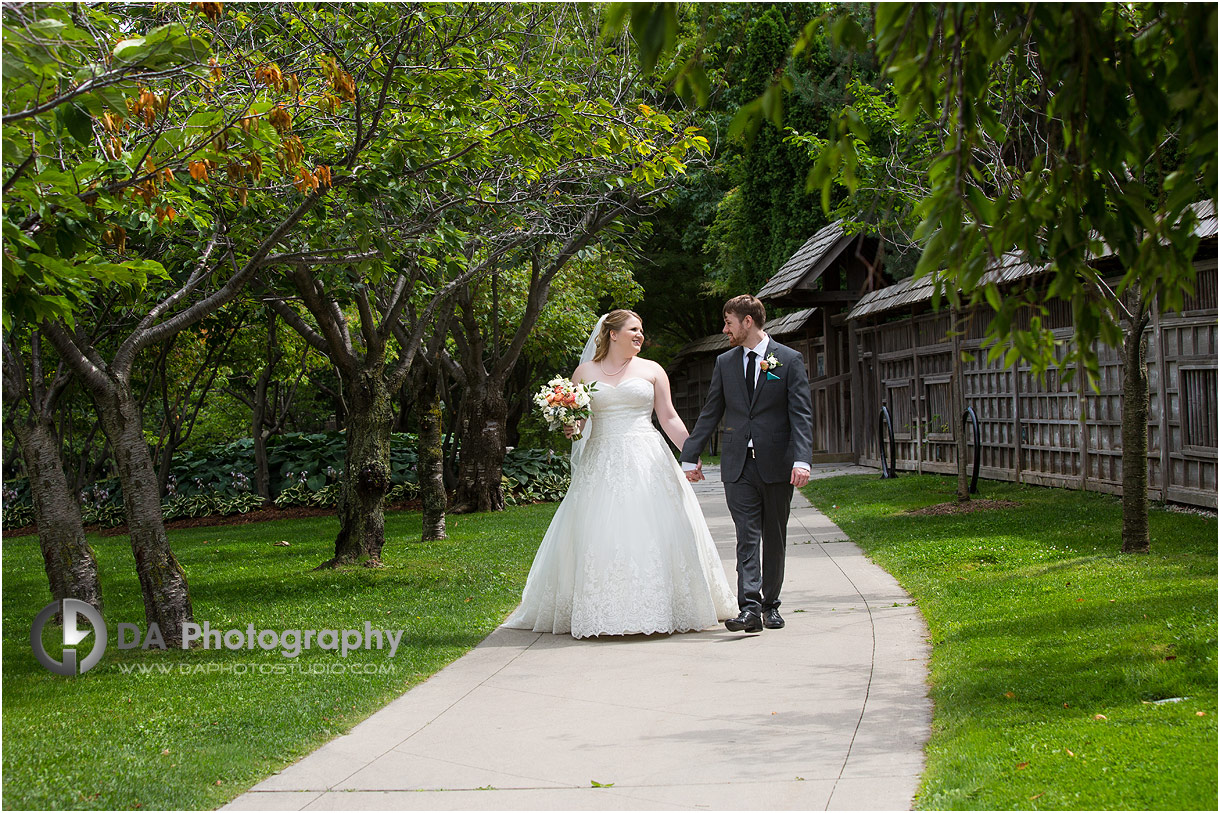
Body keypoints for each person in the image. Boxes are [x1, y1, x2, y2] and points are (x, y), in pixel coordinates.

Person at [504, 310, 736, 638]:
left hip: (647, 459)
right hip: (601, 461)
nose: (640, 335)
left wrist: (690, 452)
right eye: (634, 330)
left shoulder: (652, 370)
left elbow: (668, 417)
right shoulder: (585, 372)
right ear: (613, 334)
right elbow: (580, 422)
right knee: (600, 531)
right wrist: (570, 425)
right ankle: (604, 610)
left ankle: (661, 607)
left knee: (653, 529)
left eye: (641, 330)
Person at [680, 295, 813, 633]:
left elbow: (801, 415)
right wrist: (689, 455)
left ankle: (772, 605)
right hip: (737, 465)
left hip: (778, 463)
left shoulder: (788, 359)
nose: (725, 329)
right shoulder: (725, 362)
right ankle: (749, 608)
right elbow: (711, 411)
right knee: (747, 536)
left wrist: (802, 460)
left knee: (774, 535)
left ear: (748, 322)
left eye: (729, 322)